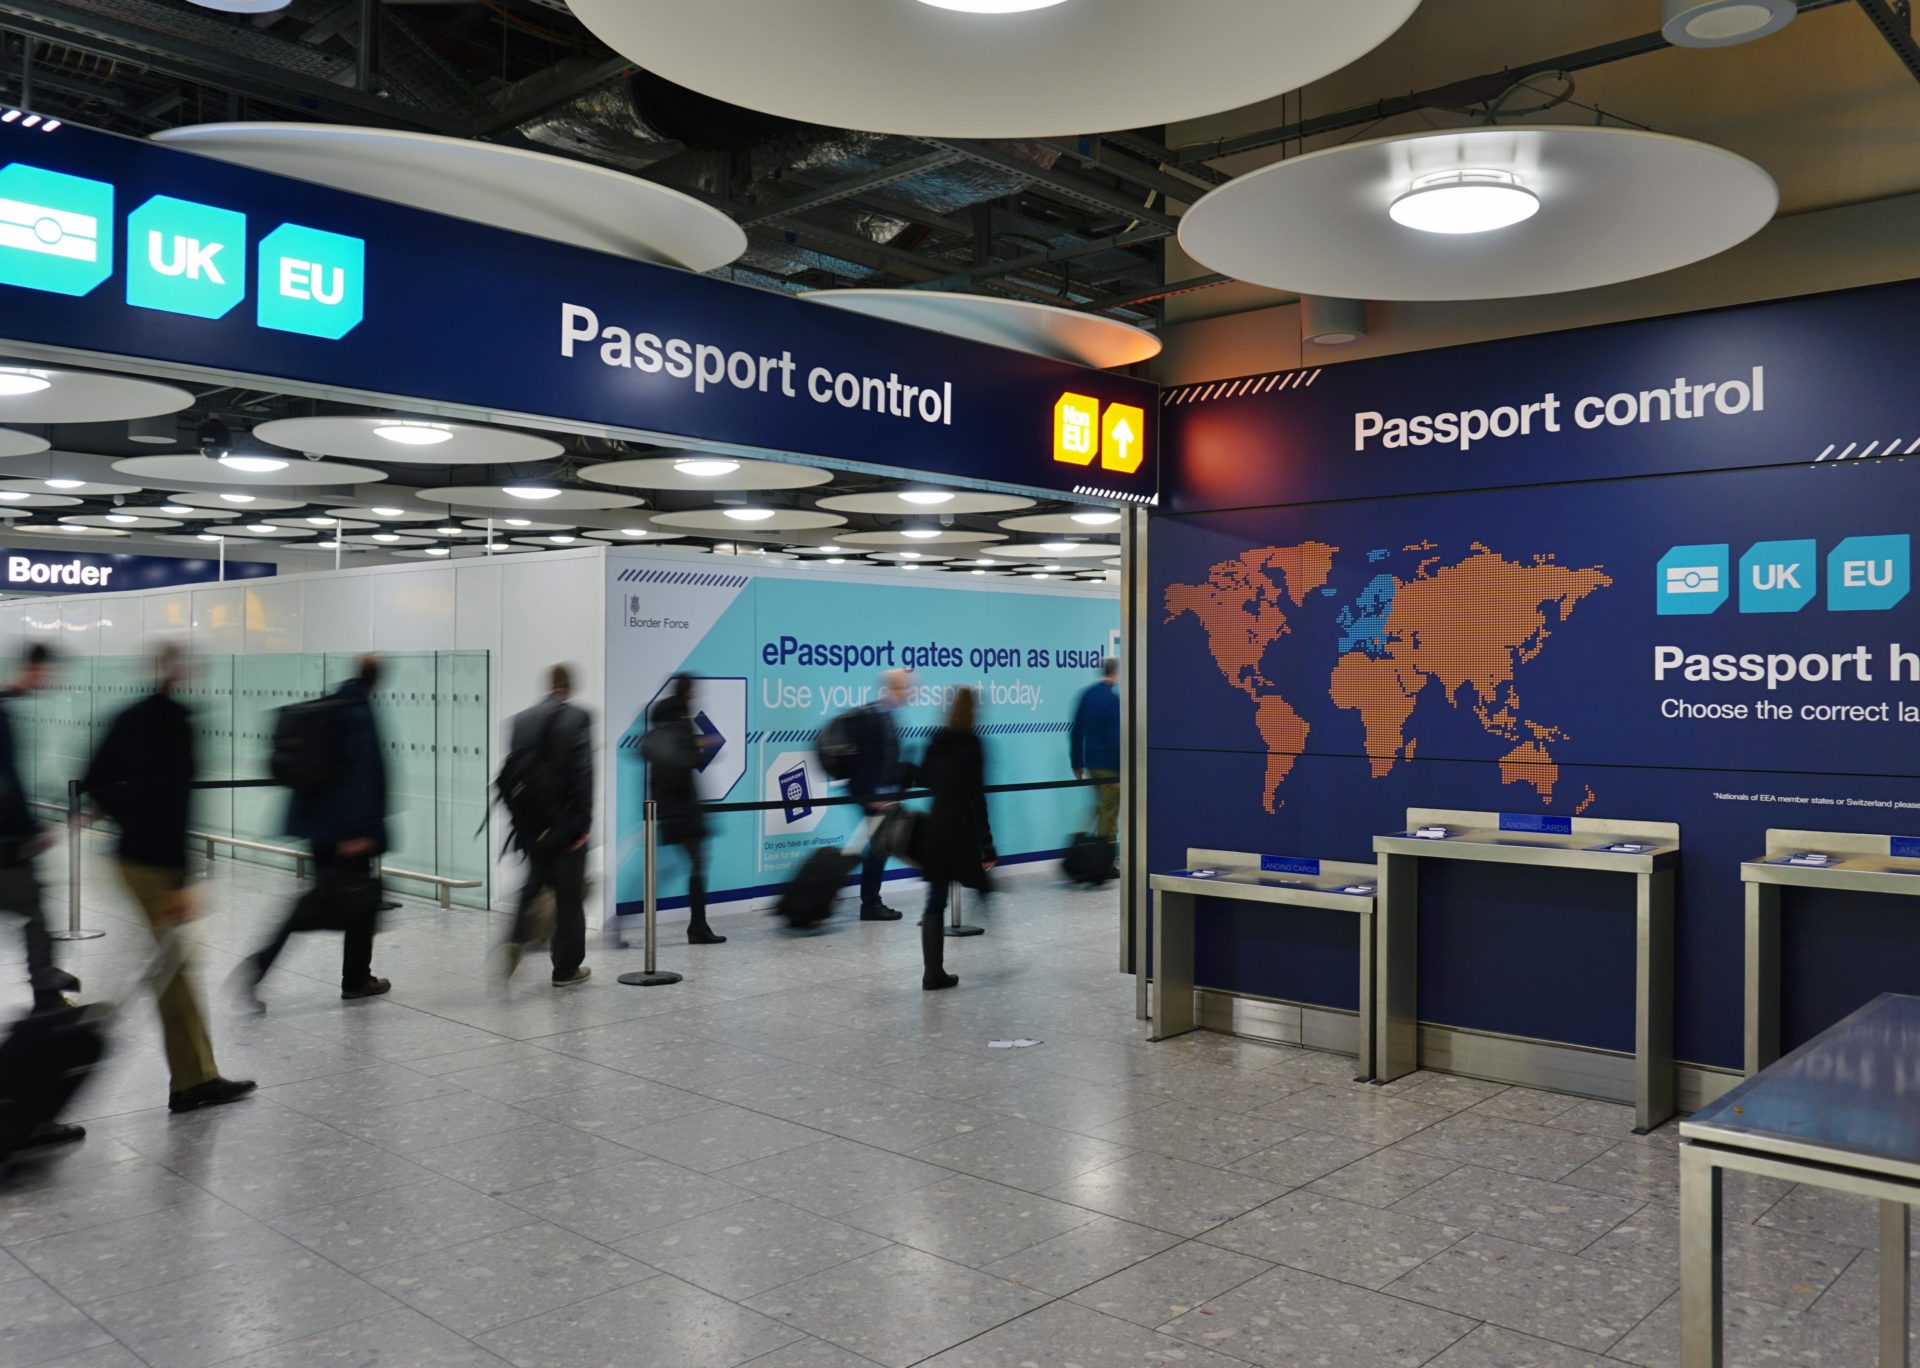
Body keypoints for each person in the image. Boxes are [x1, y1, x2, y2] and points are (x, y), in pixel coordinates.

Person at [83, 642, 254, 1115]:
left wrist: (127, 821)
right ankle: (194, 1081)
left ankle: (195, 1077)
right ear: (176, 669)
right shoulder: (178, 722)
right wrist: (183, 880)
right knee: (174, 972)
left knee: (172, 969)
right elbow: (179, 806)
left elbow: (92, 780)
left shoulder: (130, 716)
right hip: (158, 866)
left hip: (132, 859)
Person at [242, 654, 392, 1004]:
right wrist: (363, 833)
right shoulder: (358, 713)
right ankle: (266, 966)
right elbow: (362, 777)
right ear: (378, 681)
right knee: (346, 904)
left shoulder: (332, 705)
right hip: (347, 833)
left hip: (321, 828)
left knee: (346, 903)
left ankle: (354, 977)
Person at [500, 664, 596, 984]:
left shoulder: (521, 720)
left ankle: (514, 940)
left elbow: (514, 778)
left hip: (531, 826)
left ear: (548, 686)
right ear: (568, 688)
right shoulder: (578, 718)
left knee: (534, 884)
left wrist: (523, 825)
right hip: (566, 827)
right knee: (569, 898)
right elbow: (583, 774)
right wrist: (583, 824)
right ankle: (565, 968)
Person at [0, 643, 79, 1013]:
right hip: (8, 837)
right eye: (47, 672)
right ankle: (46, 996)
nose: (51, 681)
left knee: (33, 910)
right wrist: (30, 829)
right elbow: (6, 780)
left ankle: (47, 995)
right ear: (34, 668)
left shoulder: (8, 702)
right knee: (32, 911)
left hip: (12, 834)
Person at [914, 688, 995, 991]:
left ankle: (931, 972)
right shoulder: (972, 744)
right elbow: (976, 798)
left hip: (936, 828)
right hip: (960, 832)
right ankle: (992, 955)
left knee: (934, 900)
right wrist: (987, 844)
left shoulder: (936, 739)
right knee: (981, 886)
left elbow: (923, 779)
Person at [646, 674, 724, 945]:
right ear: (688, 692)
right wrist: (702, 746)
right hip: (682, 806)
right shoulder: (681, 721)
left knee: (678, 866)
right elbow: (687, 760)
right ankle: (698, 926)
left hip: (664, 804)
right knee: (698, 864)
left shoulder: (661, 719)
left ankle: (697, 925)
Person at [848, 669, 913, 921]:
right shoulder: (876, 717)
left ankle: (871, 901)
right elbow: (866, 761)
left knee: (878, 848)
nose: (909, 692)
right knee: (877, 849)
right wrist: (871, 795)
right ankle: (870, 903)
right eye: (905, 687)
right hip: (874, 796)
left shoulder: (885, 716)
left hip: (882, 794)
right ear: (892, 689)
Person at [1070, 656, 1122, 855]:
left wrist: (1077, 761)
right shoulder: (1112, 700)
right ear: (1115, 673)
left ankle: (1091, 848)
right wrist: (1119, 772)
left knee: (1103, 806)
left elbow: (1076, 730)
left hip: (1091, 762)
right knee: (1109, 810)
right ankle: (1104, 859)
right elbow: (1115, 738)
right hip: (1109, 764)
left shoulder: (1087, 695)